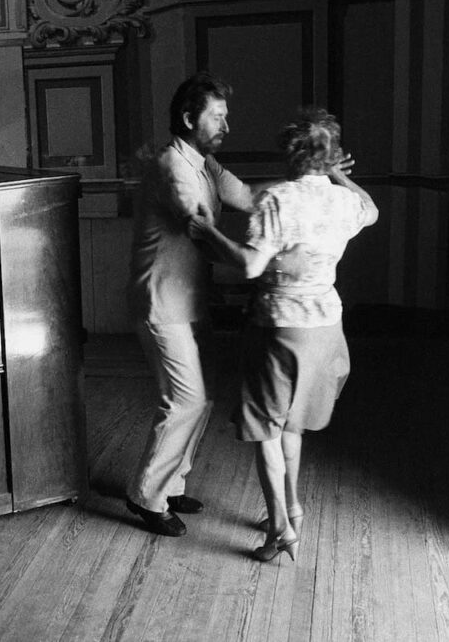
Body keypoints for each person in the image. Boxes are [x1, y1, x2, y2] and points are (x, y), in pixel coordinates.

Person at [187, 107, 378, 561]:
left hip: (280, 328)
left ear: (289, 154)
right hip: (327, 328)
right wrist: (339, 177)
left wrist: (208, 232)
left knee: (266, 431)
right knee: (292, 425)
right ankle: (293, 508)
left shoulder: (278, 200)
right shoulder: (343, 201)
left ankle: (279, 530)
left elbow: (251, 265)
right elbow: (371, 209)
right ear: (329, 156)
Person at [125, 72, 277, 537]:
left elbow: (251, 199)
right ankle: (146, 498)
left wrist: (313, 183)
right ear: (190, 118)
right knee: (185, 400)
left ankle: (169, 486)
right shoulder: (173, 167)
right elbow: (202, 233)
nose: (226, 125)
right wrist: (253, 268)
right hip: (162, 302)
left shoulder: (204, 164)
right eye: (218, 116)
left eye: (226, 116)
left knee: (200, 399)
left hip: (187, 301)